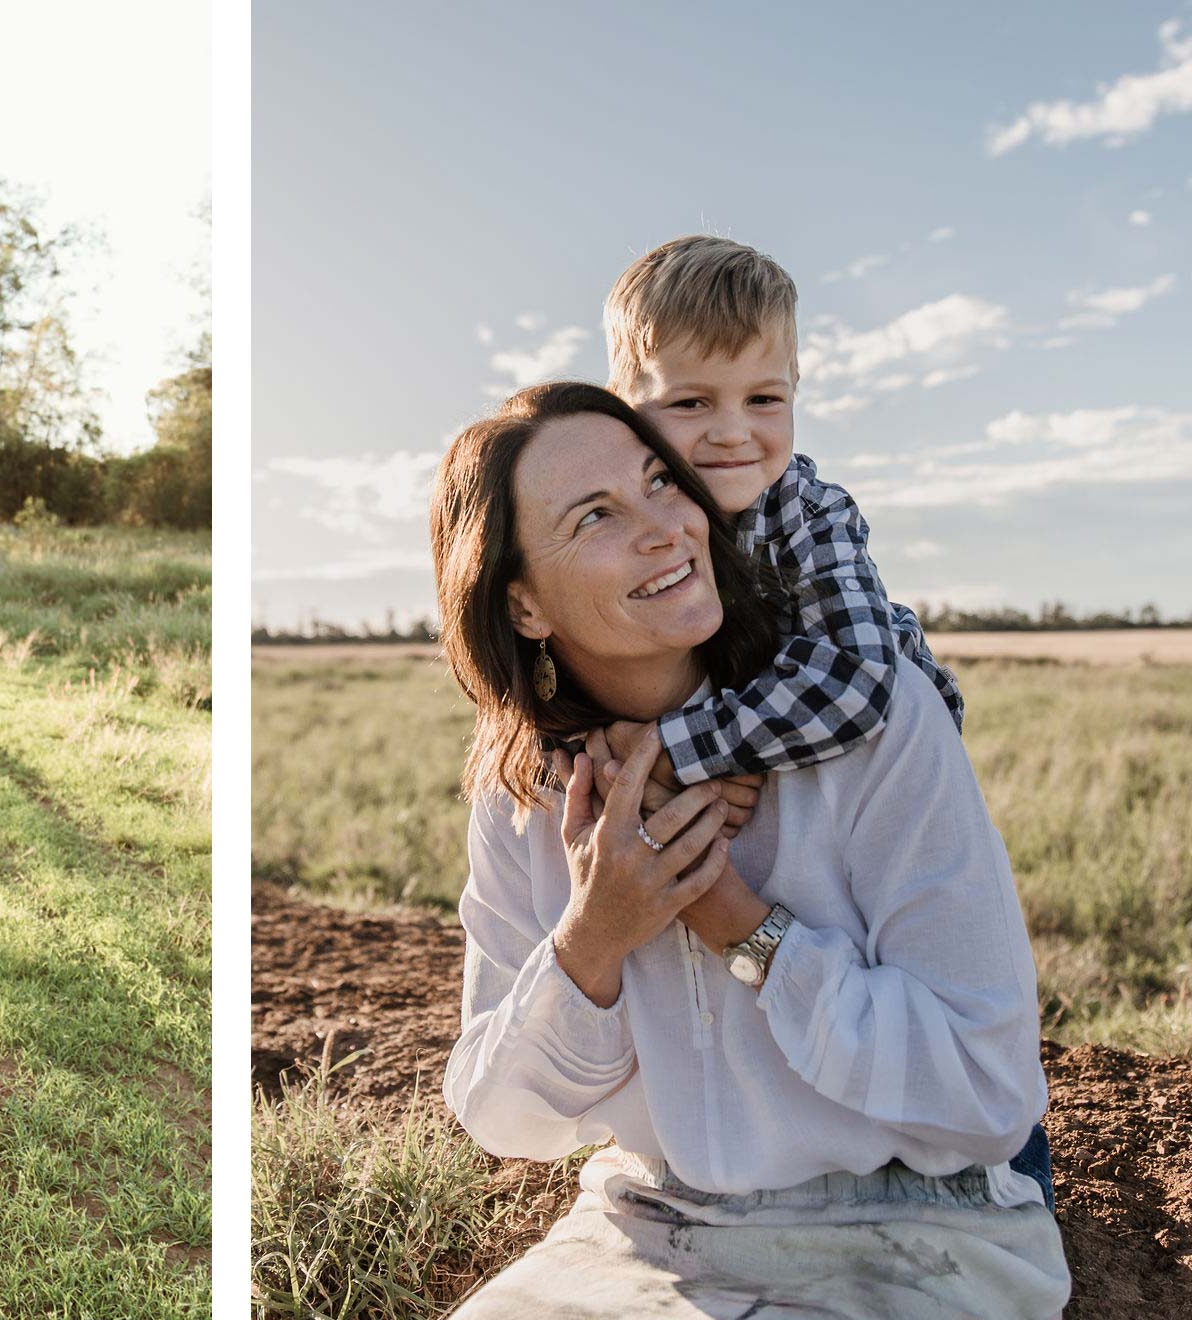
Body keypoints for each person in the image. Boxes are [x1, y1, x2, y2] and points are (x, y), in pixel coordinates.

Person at [431, 382, 1069, 1317]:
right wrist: (594, 938)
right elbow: (503, 1119)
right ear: (523, 603)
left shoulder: (877, 722)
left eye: (661, 481)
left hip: (920, 1232)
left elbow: (987, 1088)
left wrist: (736, 920)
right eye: (597, 515)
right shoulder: (524, 794)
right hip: (650, 1229)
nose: (664, 528)